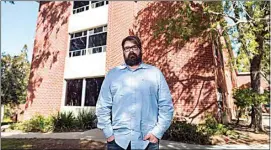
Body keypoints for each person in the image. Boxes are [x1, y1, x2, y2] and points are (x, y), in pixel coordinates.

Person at [96, 35, 174, 150]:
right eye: (127, 48)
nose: (131, 51)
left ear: (140, 49)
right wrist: (109, 134)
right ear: (123, 52)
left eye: (134, 47)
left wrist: (157, 133)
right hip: (118, 142)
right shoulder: (113, 75)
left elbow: (166, 107)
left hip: (147, 142)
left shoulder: (155, 73)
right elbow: (103, 106)